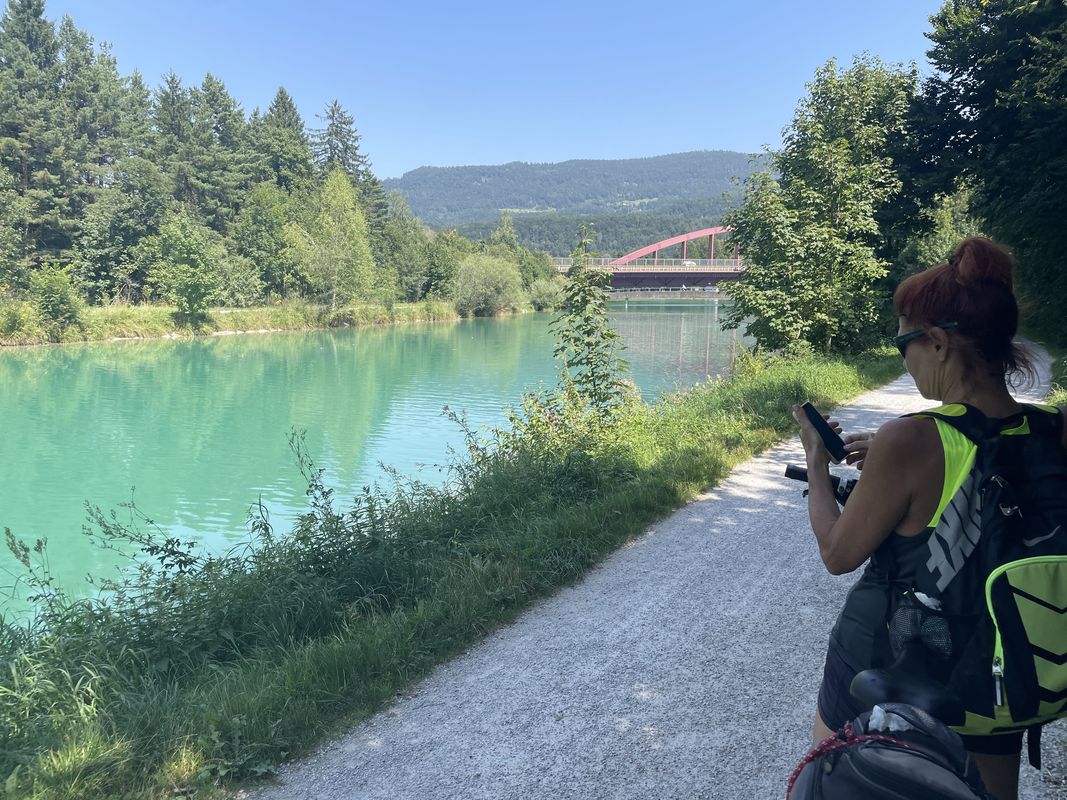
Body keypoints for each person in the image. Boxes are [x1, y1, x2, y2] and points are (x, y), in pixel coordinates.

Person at [792, 236, 1067, 800]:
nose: (906, 359)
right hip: (999, 669)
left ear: (937, 342)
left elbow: (837, 555)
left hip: (886, 663)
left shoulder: (911, 439)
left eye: (904, 345)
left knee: (840, 786)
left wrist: (817, 465)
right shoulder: (1055, 431)